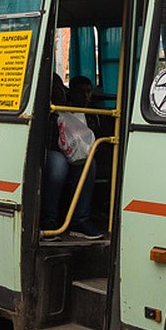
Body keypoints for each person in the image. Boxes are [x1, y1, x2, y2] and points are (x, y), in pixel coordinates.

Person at [41, 75, 102, 240]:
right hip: (48, 152)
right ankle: (49, 220)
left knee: (89, 162)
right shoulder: (47, 111)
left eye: (60, 88)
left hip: (73, 154)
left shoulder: (91, 113)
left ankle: (80, 220)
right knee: (58, 163)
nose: (86, 97)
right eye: (54, 89)